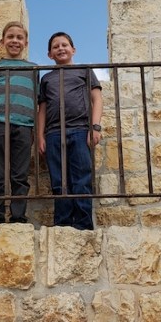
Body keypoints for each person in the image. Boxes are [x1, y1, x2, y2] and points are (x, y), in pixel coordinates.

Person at [36, 32, 102, 230]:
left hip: (80, 130)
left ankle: (83, 225)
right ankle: (62, 224)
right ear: (50, 54)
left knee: (82, 179)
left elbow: (97, 99)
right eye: (55, 46)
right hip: (53, 134)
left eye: (64, 45)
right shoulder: (46, 79)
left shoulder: (84, 71)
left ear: (73, 50)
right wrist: (40, 135)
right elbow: (42, 109)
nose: (60, 48)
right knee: (59, 181)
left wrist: (95, 127)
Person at [0, 21, 37, 224]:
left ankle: (18, 217)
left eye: (19, 38)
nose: (15, 41)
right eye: (10, 37)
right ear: (2, 41)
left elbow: (36, 98)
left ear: (26, 43)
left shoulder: (33, 69)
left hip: (25, 126)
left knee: (20, 175)